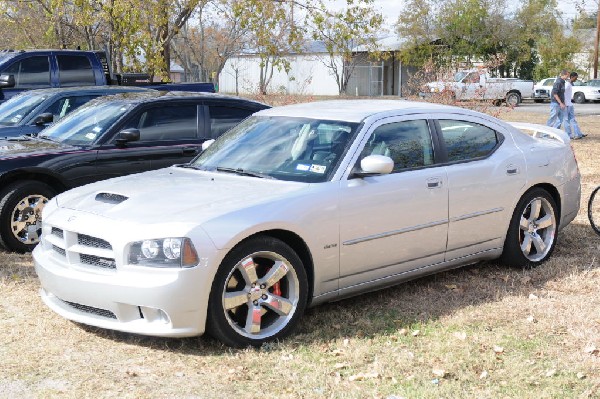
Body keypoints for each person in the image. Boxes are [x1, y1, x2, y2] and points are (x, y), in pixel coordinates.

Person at [563, 72, 587, 140]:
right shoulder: (567, 84)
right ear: (572, 77)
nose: (576, 79)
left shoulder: (569, 84)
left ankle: (578, 134)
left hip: (570, 105)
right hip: (566, 105)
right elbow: (562, 93)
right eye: (575, 78)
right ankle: (569, 135)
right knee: (566, 120)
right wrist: (562, 103)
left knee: (573, 120)